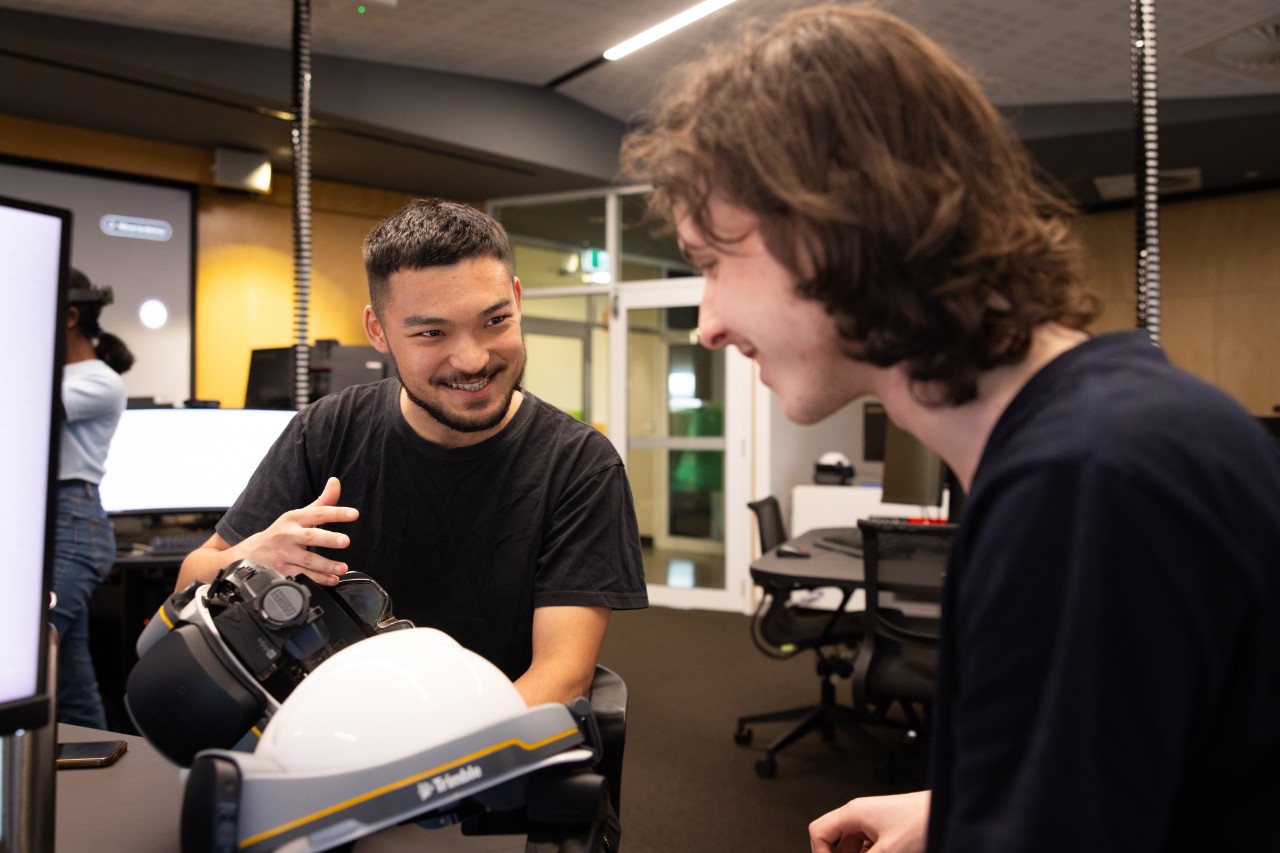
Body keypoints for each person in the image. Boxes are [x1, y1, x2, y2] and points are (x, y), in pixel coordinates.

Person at [619, 5, 1280, 852]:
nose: (706, 323)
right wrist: (959, 806)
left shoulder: (1084, 484)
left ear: (831, 225)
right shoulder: (1108, 432)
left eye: (713, 263)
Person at [179, 198, 648, 706]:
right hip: (330, 730)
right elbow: (190, 578)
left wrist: (414, 763)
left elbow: (561, 676)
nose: (472, 359)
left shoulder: (580, 467)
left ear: (516, 299)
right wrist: (250, 556)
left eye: (494, 321)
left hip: (486, 747)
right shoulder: (329, 429)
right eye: (431, 332)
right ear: (378, 330)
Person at [54, 268, 134, 728]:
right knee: (69, 677)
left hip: (71, 525)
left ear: (68, 316)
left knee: (28, 646)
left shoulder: (98, 381)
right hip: (46, 524)